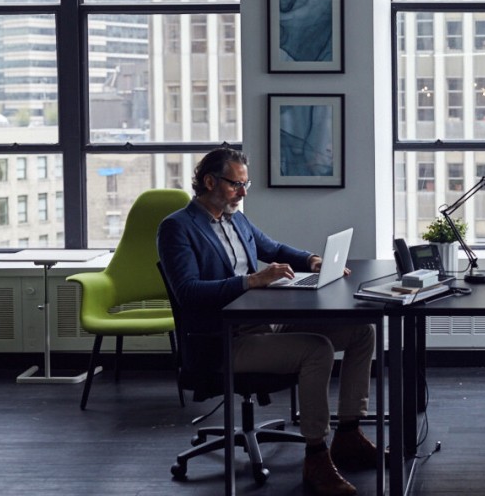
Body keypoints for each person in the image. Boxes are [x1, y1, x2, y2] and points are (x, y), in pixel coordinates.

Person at [158, 148, 376, 496]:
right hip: (223, 340)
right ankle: (316, 457)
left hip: (262, 324)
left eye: (246, 184)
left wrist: (312, 259)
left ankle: (348, 434)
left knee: (361, 332)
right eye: (236, 185)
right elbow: (188, 292)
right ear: (210, 181)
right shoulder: (177, 228)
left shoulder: (235, 219)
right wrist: (251, 282)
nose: (243, 193)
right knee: (316, 350)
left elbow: (272, 248)